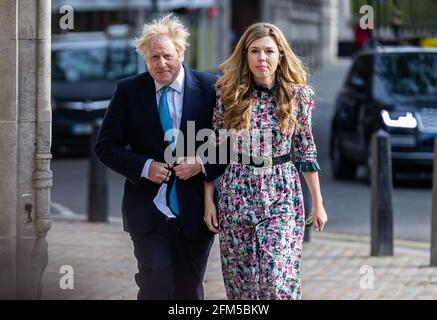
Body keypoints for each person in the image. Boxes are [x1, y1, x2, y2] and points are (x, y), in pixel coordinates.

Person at [95, 14, 220, 300]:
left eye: (167, 55)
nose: (161, 63)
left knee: (189, 290)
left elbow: (226, 145)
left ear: (181, 53)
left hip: (196, 209)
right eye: (153, 57)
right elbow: (105, 146)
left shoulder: (211, 88)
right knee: (156, 285)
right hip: (147, 210)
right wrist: (144, 166)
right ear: (145, 58)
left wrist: (201, 163)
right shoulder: (128, 91)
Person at [203, 22, 328, 300]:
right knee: (242, 285)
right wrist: (208, 200)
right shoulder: (229, 95)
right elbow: (215, 151)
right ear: (245, 55)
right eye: (255, 51)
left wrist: (318, 203)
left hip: (282, 190)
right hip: (237, 190)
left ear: (280, 55)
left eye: (269, 51)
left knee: (276, 279)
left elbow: (306, 150)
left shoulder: (298, 96)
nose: (262, 58)